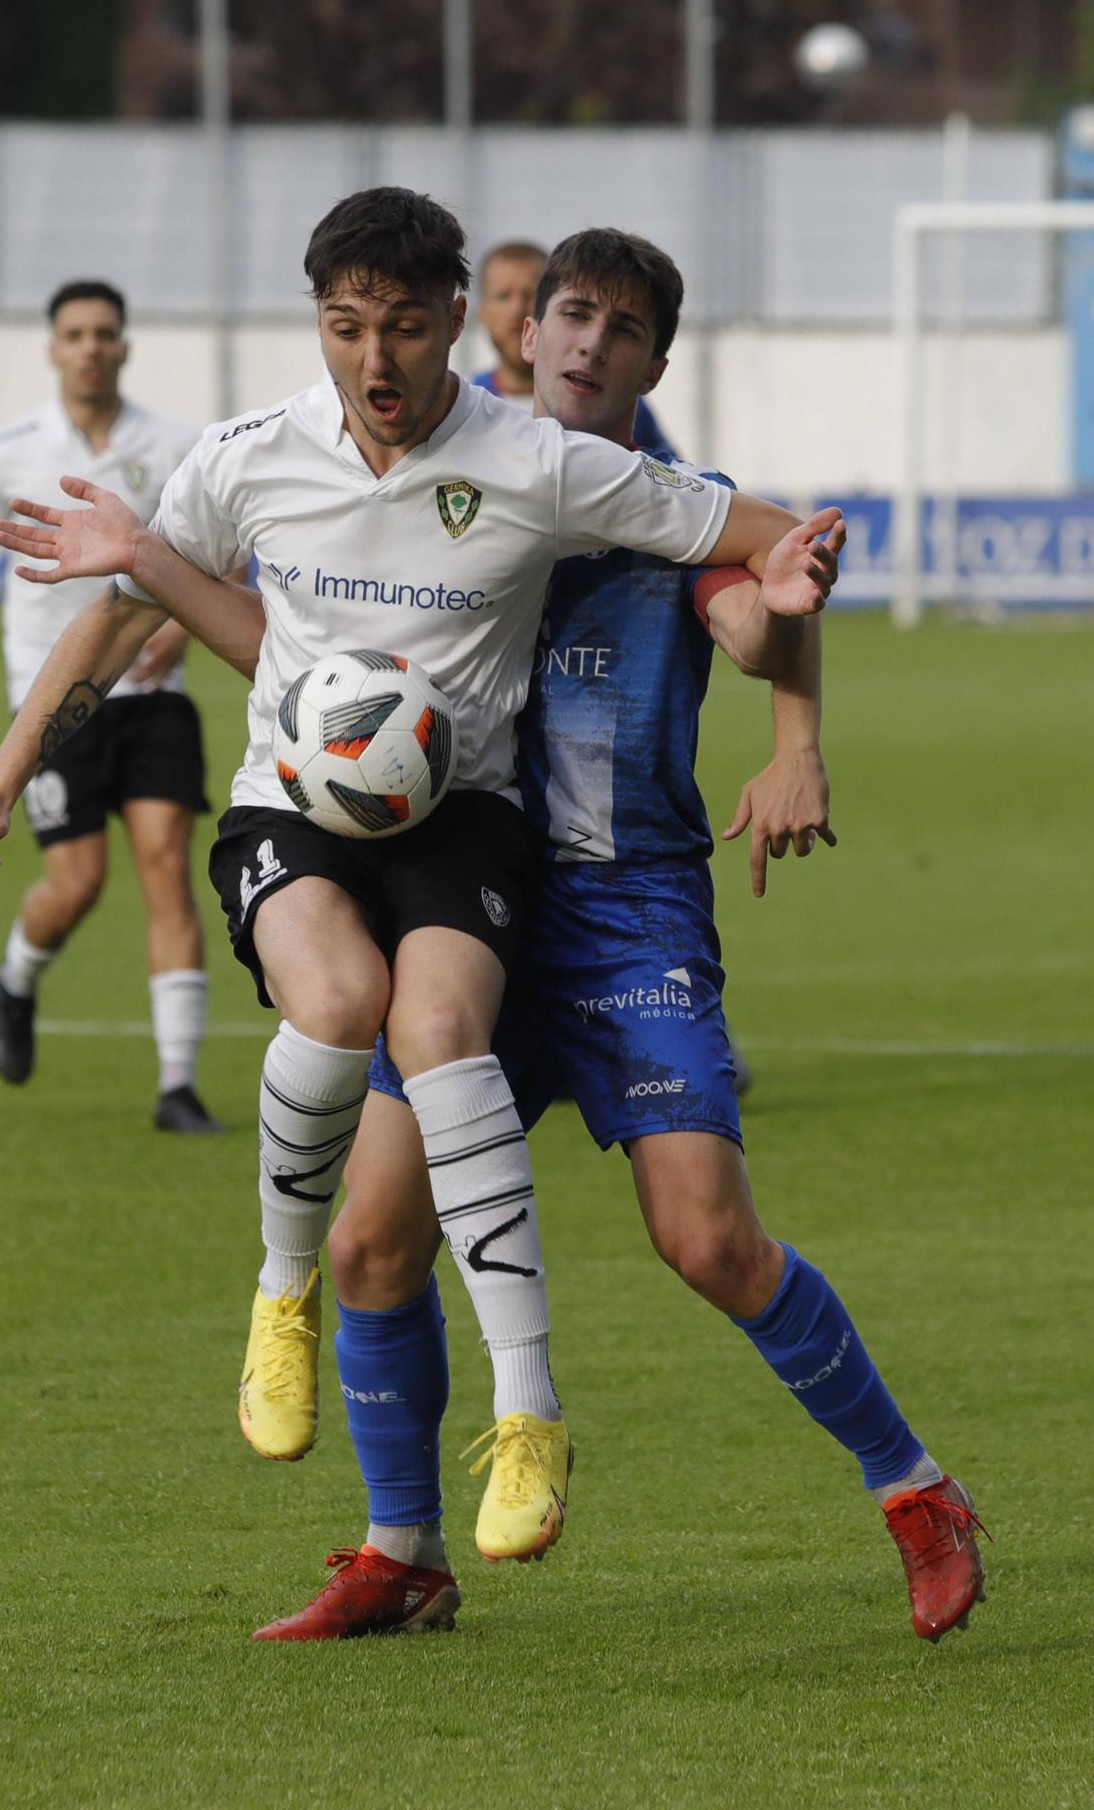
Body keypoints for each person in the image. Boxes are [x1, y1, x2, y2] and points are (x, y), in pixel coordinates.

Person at [0, 187, 835, 1572]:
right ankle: (282, 1293)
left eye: (405, 329)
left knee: (439, 1029)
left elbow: (762, 539)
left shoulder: (535, 459)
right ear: (321, 325)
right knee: (342, 1003)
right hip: (291, 812)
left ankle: (528, 1414)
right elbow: (120, 625)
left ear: (462, 324)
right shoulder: (249, 459)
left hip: (464, 816)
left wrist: (797, 664)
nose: (376, 361)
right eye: (349, 328)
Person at [250, 228, 986, 1646]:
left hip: (630, 910)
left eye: (625, 328)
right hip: (474, 909)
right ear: (524, 331)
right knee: (370, 1246)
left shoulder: (669, 507)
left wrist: (794, 715)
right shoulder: (461, 484)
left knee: (707, 1239)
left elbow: (760, 604)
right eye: (570, 314)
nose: (589, 343)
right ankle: (403, 1553)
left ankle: (918, 1489)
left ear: (656, 359)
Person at [0, 280, 220, 1134]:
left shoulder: (174, 444)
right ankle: (19, 977)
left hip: (155, 698)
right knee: (79, 882)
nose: (92, 346)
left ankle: (178, 1085)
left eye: (105, 333)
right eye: (75, 334)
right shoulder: (7, 451)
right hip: (53, 702)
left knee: (168, 865)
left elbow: (221, 558)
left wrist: (184, 627)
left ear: (125, 347)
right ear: (53, 349)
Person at [472, 236, 677, 456]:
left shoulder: (626, 407)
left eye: (529, 294)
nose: (517, 309)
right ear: (530, 336)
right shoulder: (468, 407)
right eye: (504, 296)